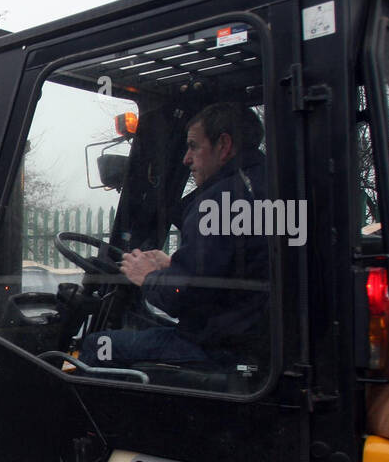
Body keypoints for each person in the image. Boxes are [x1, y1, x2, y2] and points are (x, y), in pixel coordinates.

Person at [80, 102, 268, 370]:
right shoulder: (268, 186)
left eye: (193, 146)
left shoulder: (220, 201)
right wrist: (173, 267)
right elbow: (234, 270)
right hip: (252, 340)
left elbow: (183, 297)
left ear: (224, 145)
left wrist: (149, 278)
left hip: (217, 348)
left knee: (97, 346)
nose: (186, 159)